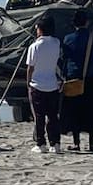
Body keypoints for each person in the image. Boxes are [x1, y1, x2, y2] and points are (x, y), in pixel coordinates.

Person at [60, 10, 93, 152]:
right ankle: (92, 143)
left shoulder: (68, 39)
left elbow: (64, 57)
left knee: (74, 112)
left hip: (73, 78)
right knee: (91, 112)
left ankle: (76, 143)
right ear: (86, 22)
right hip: (92, 78)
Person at [26, 14, 63, 153]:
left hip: (37, 85)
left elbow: (30, 67)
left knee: (39, 116)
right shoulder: (56, 43)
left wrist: (28, 82)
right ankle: (55, 143)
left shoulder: (34, 46)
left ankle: (40, 143)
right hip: (52, 84)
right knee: (53, 116)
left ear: (40, 29)